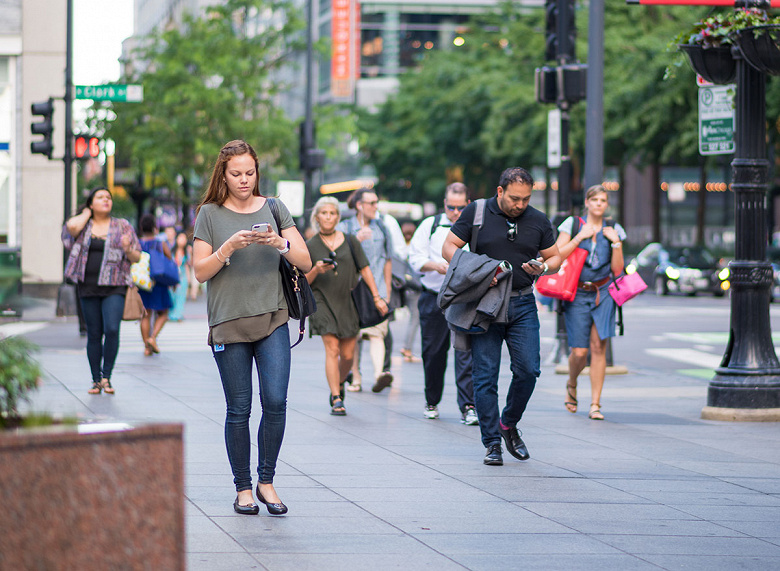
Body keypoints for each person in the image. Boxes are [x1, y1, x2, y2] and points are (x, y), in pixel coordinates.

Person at [192, 139, 311, 516]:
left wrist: (278, 241)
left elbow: (305, 262)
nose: (244, 180)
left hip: (273, 317)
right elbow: (199, 273)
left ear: (257, 172)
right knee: (238, 409)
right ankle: (243, 487)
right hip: (228, 323)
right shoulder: (208, 214)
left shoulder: (275, 207)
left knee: (275, 402)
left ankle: (266, 481)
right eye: (236, 174)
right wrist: (227, 248)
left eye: (249, 172)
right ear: (223, 176)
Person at [442, 167, 562, 466]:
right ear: (500, 191)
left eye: (525, 199)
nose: (519, 205)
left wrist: (544, 268)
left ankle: (508, 423)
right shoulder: (477, 211)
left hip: (522, 303)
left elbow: (556, 257)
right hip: (486, 303)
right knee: (485, 376)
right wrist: (480, 271)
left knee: (529, 370)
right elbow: (449, 248)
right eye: (514, 198)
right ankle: (492, 443)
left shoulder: (537, 219)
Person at [305, 197, 388, 415]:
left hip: (347, 300)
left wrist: (377, 297)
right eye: (324, 213)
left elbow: (366, 270)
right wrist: (315, 270)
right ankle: (336, 397)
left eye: (332, 213)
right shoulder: (310, 245)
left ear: (338, 217)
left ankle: (339, 381)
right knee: (332, 349)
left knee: (348, 355)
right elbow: (303, 280)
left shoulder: (351, 240)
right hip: (321, 301)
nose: (328, 217)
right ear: (317, 217)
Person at [555, 185, 626, 421]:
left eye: (603, 200)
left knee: (598, 348)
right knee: (579, 351)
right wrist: (579, 237)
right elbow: (557, 255)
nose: (598, 203)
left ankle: (595, 404)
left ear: (607, 205)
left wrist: (616, 243)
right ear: (586, 202)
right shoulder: (572, 225)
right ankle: (572, 382)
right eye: (594, 199)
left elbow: (618, 269)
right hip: (577, 292)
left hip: (604, 292)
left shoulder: (614, 228)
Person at [408, 182, 477, 424]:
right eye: (451, 207)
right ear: (444, 204)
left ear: (468, 205)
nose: (455, 212)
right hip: (434, 295)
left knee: (465, 352)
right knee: (434, 352)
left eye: (460, 207)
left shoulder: (475, 227)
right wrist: (434, 265)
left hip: (465, 298)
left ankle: (468, 405)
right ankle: (432, 401)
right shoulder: (431, 225)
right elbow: (415, 257)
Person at [62, 187, 142, 395]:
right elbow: (68, 230)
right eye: (100, 197)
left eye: (108, 197)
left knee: (112, 329)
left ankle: (107, 377)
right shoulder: (82, 226)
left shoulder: (122, 225)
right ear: (91, 203)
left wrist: (127, 249)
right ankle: (96, 380)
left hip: (115, 285)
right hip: (87, 286)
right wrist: (87, 213)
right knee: (94, 333)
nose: (106, 200)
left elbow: (137, 257)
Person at [338, 188, 394, 393]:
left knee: (377, 332)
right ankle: (356, 378)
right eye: (371, 203)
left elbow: (388, 260)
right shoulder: (345, 227)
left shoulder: (382, 228)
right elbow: (337, 257)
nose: (375, 207)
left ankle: (379, 374)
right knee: (353, 335)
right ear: (360, 206)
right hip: (352, 289)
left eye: (376, 202)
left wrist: (387, 290)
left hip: (376, 289)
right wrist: (356, 240)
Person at [138, 214, 174, 356]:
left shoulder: (138, 243)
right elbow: (169, 260)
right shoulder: (160, 243)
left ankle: (147, 347)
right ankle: (152, 338)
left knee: (145, 315)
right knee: (164, 313)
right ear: (155, 227)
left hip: (143, 283)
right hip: (159, 282)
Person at [399, 221, 422, 363]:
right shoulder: (412, 248)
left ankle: (407, 347)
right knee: (415, 318)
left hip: (406, 288)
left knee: (414, 318)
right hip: (414, 288)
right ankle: (407, 347)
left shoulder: (401, 247)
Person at [169, 230, 191, 322]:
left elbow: (188, 265)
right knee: (172, 296)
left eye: (184, 238)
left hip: (183, 277)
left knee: (181, 297)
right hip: (173, 277)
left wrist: (189, 278)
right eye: (180, 238)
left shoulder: (187, 251)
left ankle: (178, 315)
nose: (182, 240)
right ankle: (171, 314)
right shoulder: (171, 251)